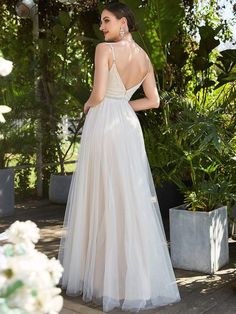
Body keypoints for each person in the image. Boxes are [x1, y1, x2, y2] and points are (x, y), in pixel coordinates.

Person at [58, 2, 181, 312]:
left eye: (107, 20)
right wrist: (126, 106)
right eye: (102, 22)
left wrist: (88, 104)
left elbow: (99, 94)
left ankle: (102, 279)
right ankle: (131, 280)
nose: (102, 27)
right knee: (128, 198)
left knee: (101, 194)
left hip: (105, 123)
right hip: (126, 126)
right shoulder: (144, 57)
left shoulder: (104, 50)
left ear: (123, 22)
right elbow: (153, 101)